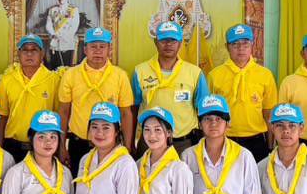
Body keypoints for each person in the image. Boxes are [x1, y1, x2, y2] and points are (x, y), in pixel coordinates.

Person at [56, 26, 134, 168]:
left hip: (111, 145)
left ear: (109, 49)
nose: (98, 51)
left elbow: (126, 113)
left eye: (102, 47)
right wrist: (61, 147)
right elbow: (63, 111)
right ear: (85, 49)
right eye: (93, 46)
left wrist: (127, 147)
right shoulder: (70, 75)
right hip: (79, 143)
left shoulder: (120, 76)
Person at [206, 24, 278, 161]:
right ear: (227, 47)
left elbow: (269, 114)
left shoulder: (265, 75)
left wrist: (270, 146)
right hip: (224, 140)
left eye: (245, 43)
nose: (241, 48)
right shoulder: (214, 76)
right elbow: (207, 115)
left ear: (252, 44)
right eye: (235, 44)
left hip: (257, 140)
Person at [132, 21, 208, 149]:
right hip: (149, 142)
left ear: (180, 43)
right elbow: (133, 109)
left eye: (173, 40)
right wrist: (131, 143)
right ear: (156, 42)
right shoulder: (140, 71)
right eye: (164, 40)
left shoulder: (195, 73)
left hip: (184, 143)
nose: (168, 44)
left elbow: (204, 111)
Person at [0, 35, 59, 162]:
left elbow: (59, 116)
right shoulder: (7, 80)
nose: (29, 54)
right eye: (25, 50)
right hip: (12, 145)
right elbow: (2, 116)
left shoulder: (54, 80)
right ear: (19, 54)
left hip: (44, 147)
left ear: (42, 54)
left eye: (34, 50)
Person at [44, 0, 81, 67]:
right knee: (54, 67)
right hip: (54, 43)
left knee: (66, 68)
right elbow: (48, 25)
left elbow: (74, 26)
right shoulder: (52, 10)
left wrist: (62, 36)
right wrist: (53, 34)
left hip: (67, 43)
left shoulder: (73, 10)